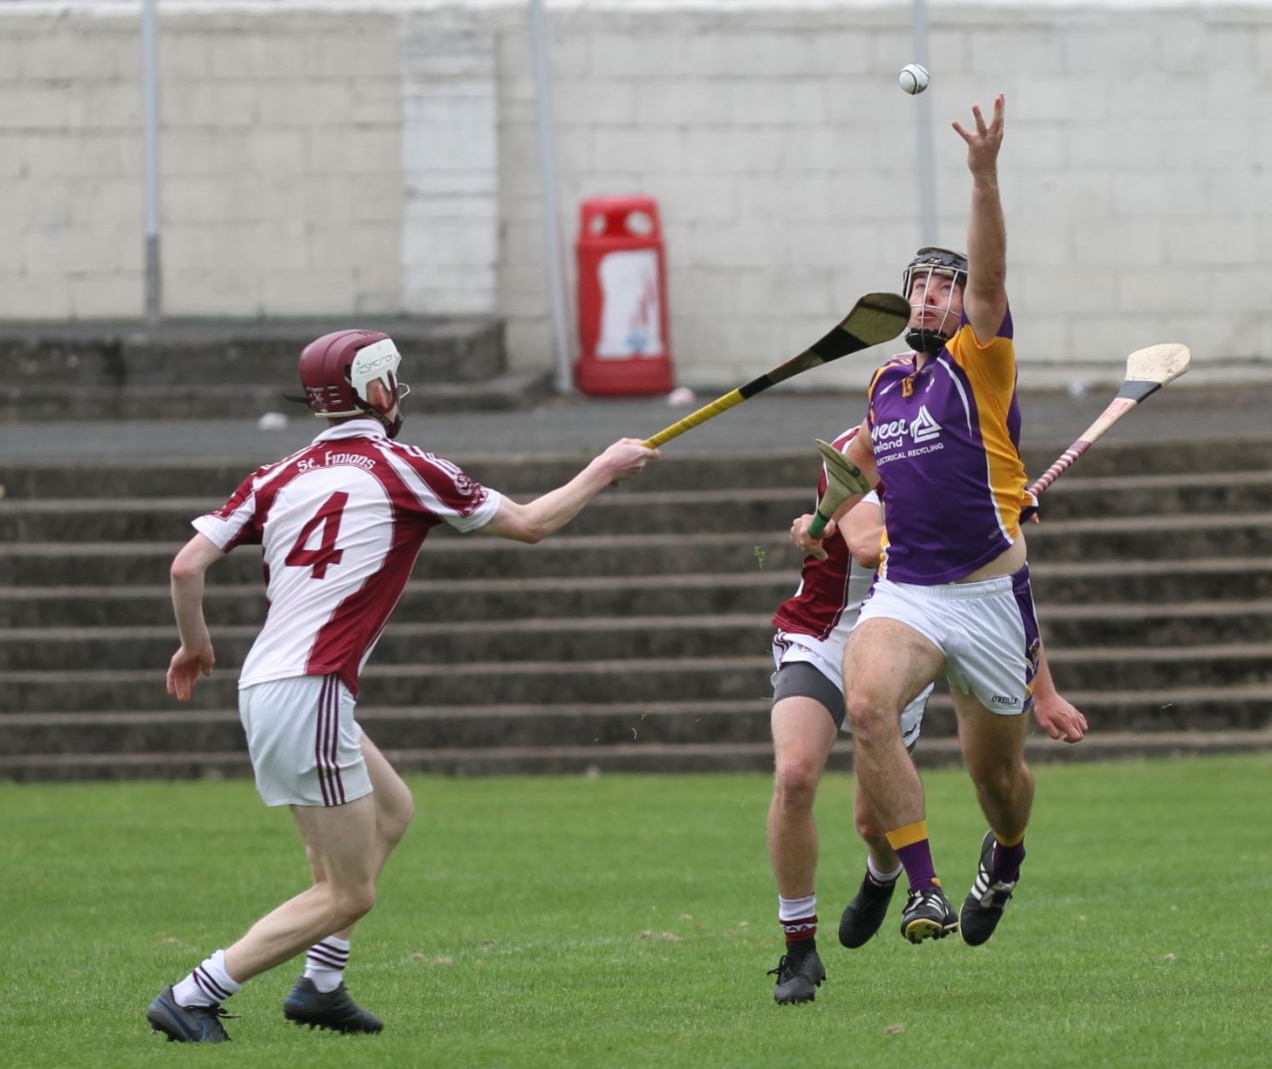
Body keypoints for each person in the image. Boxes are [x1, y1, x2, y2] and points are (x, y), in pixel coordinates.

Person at [146, 329, 659, 1043]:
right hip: (313, 686)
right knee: (346, 888)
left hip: (268, 680)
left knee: (393, 809)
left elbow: (185, 566)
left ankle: (321, 985)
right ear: (378, 389)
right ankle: (194, 992)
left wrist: (195, 645)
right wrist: (605, 466)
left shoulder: (275, 473)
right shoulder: (406, 466)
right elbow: (533, 523)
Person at [792, 92, 1062, 954]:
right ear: (905, 297)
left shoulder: (980, 362)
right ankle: (925, 887)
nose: (936, 294)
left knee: (998, 780)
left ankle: (1007, 854)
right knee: (867, 707)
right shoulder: (885, 386)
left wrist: (982, 177)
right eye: (923, 283)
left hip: (988, 597)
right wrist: (823, 515)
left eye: (946, 285)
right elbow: (857, 461)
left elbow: (991, 278)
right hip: (909, 592)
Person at [767, 427, 1087, 1004]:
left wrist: (1045, 689)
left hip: (907, 642)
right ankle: (799, 949)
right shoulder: (869, 447)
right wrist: (970, 523)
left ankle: (883, 874)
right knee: (794, 776)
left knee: (874, 824)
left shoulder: (968, 457)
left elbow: (1008, 590)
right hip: (825, 635)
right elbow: (865, 544)